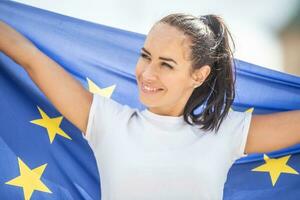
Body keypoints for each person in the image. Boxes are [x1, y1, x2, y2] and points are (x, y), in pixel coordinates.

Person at [0, 13, 300, 200]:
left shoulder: (227, 132)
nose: (147, 73)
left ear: (199, 75)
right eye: (146, 56)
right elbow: (29, 57)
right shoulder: (107, 121)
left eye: (166, 65)